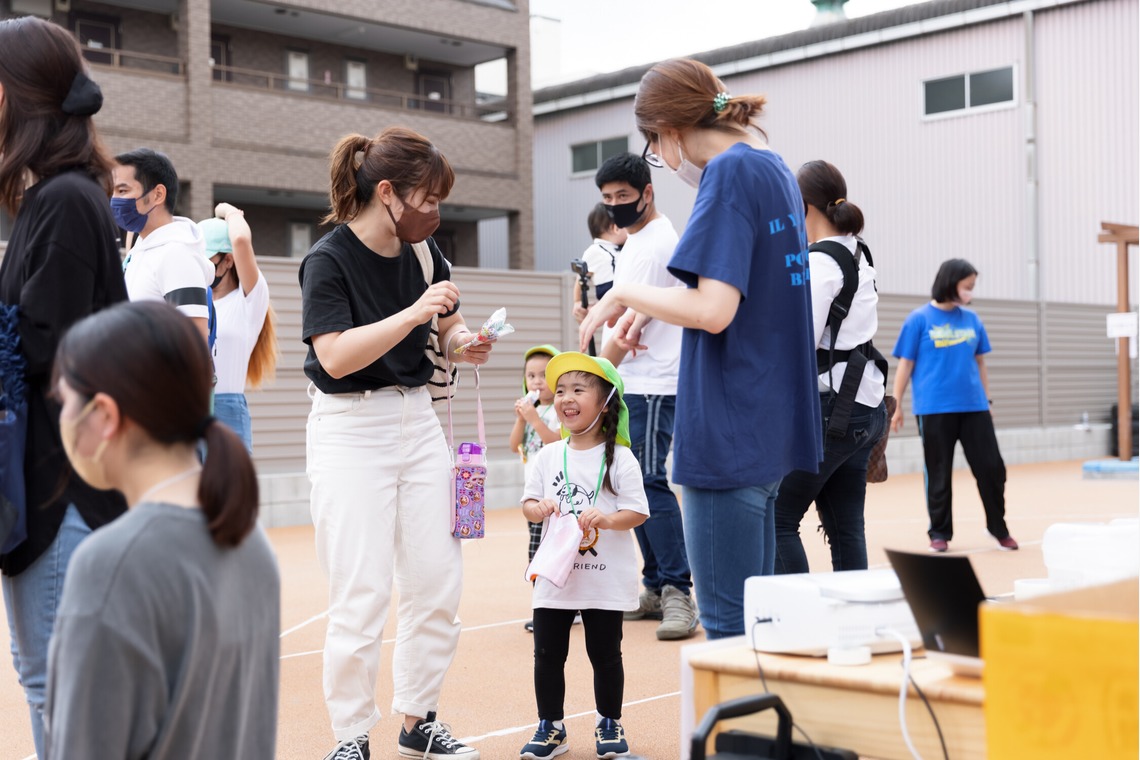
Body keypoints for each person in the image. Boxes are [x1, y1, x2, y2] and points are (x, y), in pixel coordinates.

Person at [579, 58, 822, 640]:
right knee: (759, 626)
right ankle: (759, 732)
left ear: (665, 130)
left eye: (654, 148)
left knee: (729, 631)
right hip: (768, 422)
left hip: (728, 426)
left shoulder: (728, 174)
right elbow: (738, 287)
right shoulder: (772, 168)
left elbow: (715, 311)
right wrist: (654, 301)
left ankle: (731, 736)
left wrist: (625, 293)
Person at [300, 126, 492, 760]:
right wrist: (414, 314)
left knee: (437, 583)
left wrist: (467, 342)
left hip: (421, 421)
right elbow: (334, 357)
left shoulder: (425, 252)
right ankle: (351, 737)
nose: (434, 212)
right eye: (426, 199)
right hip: (350, 428)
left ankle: (418, 718)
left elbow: (450, 326)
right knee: (362, 592)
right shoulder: (328, 259)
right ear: (387, 193)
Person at [44, 301, 280, 759]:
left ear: (105, 415)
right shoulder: (249, 540)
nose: (60, 419)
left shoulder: (111, 564)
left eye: (64, 401)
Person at [0, 17, 130, 756]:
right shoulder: (59, 197)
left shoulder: (63, 203)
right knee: (53, 682)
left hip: (60, 495)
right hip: (58, 490)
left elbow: (54, 357)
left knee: (56, 684)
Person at [519, 352, 648, 760]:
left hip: (603, 577)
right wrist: (536, 509)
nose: (565, 398)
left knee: (605, 653)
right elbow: (527, 502)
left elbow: (638, 511)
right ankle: (550, 726)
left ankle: (609, 722)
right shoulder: (547, 456)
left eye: (578, 389)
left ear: (605, 403)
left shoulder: (619, 458)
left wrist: (608, 520)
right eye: (560, 390)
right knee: (547, 652)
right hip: (555, 576)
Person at [592, 152, 698, 640]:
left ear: (647, 193)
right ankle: (655, 586)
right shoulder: (635, 241)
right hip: (633, 381)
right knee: (631, 483)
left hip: (654, 381)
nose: (615, 207)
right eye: (608, 199)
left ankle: (678, 590)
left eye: (624, 198)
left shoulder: (656, 245)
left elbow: (631, 321)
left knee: (650, 481)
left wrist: (594, 367)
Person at [773, 161, 888, 574]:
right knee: (845, 528)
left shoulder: (821, 262)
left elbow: (798, 341)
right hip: (864, 406)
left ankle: (802, 619)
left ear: (801, 207)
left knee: (776, 519)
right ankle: (855, 623)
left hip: (829, 411)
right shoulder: (859, 249)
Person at [891, 258, 1018, 554]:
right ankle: (939, 532)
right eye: (968, 287)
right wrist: (896, 405)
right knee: (938, 472)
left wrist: (986, 400)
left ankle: (997, 528)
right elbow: (905, 365)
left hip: (974, 407)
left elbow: (980, 362)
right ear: (951, 284)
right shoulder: (918, 319)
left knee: (992, 468)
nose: (971, 292)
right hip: (934, 409)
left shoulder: (972, 319)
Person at [197, 202, 277, 453]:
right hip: (188, 410)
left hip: (227, 411)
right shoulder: (194, 303)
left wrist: (229, 212)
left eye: (206, 259)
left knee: (229, 492)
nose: (200, 267)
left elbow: (241, 239)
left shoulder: (248, 301)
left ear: (228, 260)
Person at [113, 148, 214, 344]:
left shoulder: (176, 254)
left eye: (122, 190)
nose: (113, 199)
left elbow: (194, 344)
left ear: (158, 194)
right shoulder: (143, 251)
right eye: (113, 191)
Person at [509, 345, 562, 634]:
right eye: (531, 375)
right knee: (536, 554)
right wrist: (521, 419)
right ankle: (544, 606)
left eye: (544, 375)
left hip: (555, 497)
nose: (538, 381)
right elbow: (513, 444)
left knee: (559, 552)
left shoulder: (559, 410)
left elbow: (555, 441)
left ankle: (566, 607)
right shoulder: (531, 412)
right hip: (534, 499)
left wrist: (533, 419)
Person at [571, 204, 626, 323]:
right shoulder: (595, 250)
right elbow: (581, 278)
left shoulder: (620, 248)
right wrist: (578, 301)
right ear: (615, 228)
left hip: (619, 292)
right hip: (608, 288)